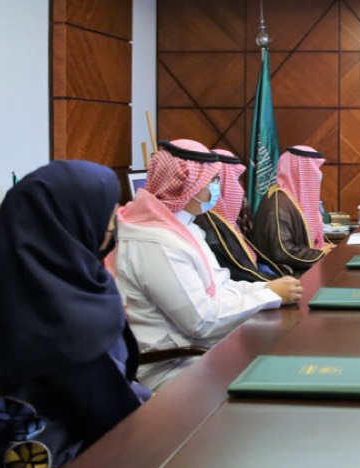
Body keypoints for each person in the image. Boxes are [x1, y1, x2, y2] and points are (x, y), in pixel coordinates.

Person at [0, 160, 150, 468]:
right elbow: (109, 411)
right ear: (70, 222)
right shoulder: (57, 314)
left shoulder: (40, 282)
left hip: (76, 449)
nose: (115, 221)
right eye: (107, 213)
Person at [112, 140, 301, 389]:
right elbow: (201, 322)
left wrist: (265, 289)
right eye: (211, 181)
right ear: (184, 185)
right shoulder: (156, 242)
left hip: (208, 349)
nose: (217, 189)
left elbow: (221, 286)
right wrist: (269, 296)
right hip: (177, 366)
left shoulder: (183, 226)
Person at [196, 148, 283, 283]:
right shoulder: (207, 223)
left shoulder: (225, 217)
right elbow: (236, 271)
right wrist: (275, 281)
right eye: (234, 179)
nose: (239, 188)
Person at [249, 145, 335, 273]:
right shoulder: (278, 205)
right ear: (300, 173)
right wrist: (319, 254)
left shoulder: (290, 197)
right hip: (285, 273)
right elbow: (282, 251)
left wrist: (324, 247)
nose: (318, 175)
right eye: (312, 171)